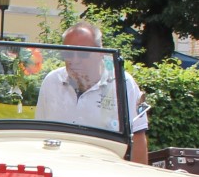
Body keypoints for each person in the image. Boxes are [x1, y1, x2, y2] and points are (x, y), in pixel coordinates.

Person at [34, 21, 150, 163]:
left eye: (83, 54)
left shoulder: (122, 84)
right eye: (68, 53)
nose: (74, 60)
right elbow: (39, 134)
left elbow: (137, 137)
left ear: (100, 53)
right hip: (59, 169)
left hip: (104, 172)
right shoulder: (52, 82)